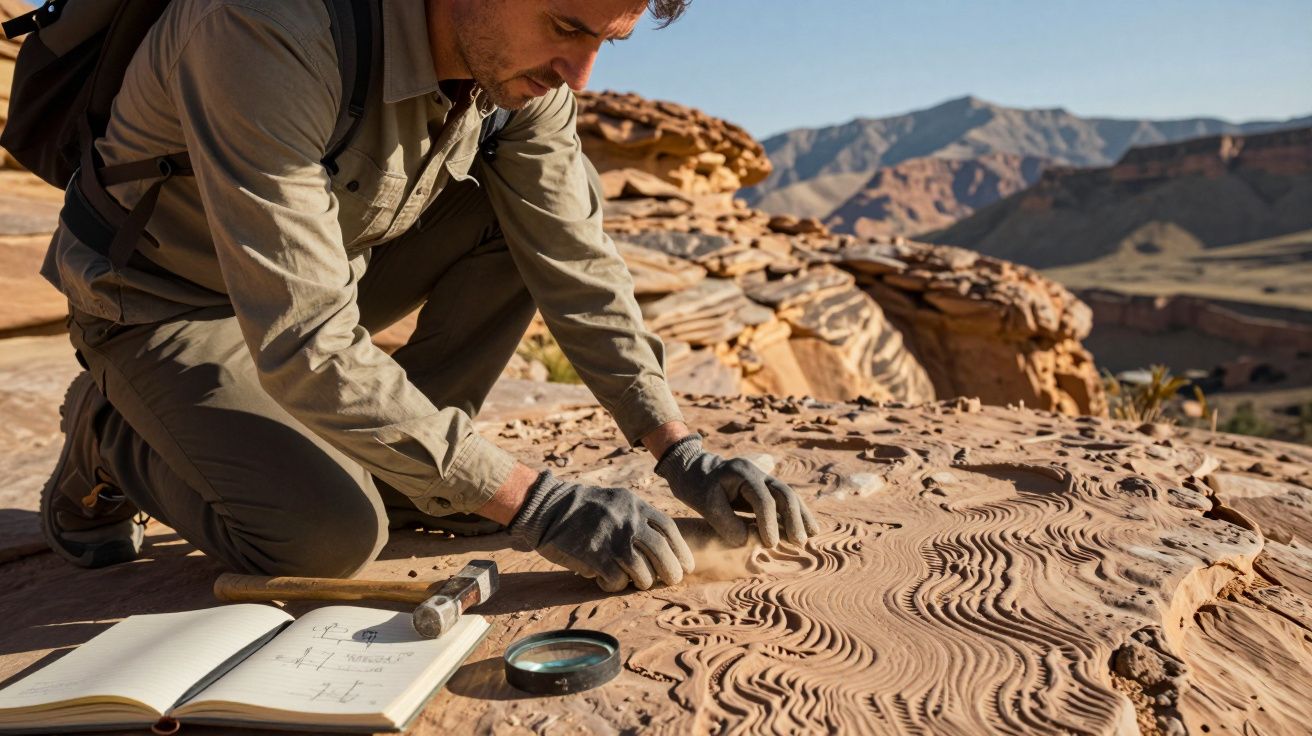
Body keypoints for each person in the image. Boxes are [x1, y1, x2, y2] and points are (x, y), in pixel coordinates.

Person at [39, 0, 818, 593]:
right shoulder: (266, 25)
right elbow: (306, 339)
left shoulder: (519, 78)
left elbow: (575, 259)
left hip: (321, 277)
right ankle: (111, 432)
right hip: (161, 299)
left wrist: (678, 449)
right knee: (329, 538)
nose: (579, 75)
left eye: (603, 43)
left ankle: (403, 473)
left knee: (512, 240)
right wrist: (535, 503)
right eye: (564, 25)